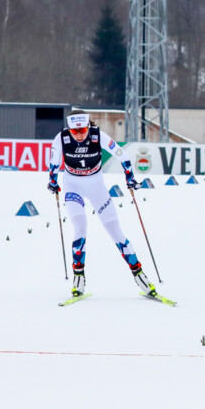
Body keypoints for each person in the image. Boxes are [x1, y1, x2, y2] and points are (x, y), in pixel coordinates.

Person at [47, 110, 158, 299]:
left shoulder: (98, 135)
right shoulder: (62, 138)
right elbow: (53, 162)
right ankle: (78, 279)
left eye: (82, 130)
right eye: (74, 131)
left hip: (95, 184)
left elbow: (123, 156)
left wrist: (130, 179)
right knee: (80, 229)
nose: (79, 135)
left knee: (115, 231)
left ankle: (139, 275)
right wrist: (52, 181)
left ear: (88, 126)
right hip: (72, 184)